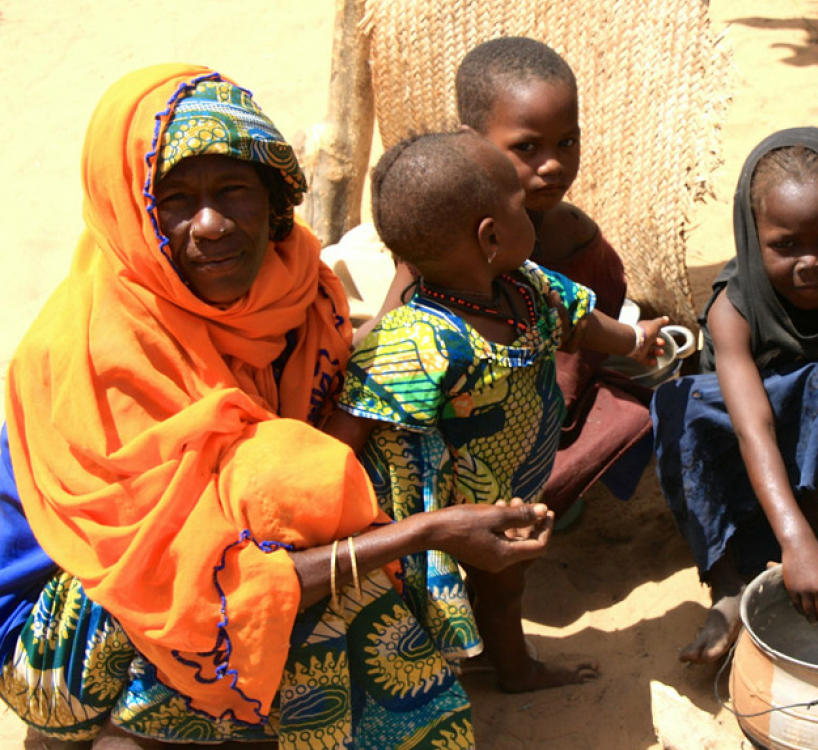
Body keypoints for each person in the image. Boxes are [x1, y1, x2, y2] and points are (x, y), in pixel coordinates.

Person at [0, 64, 555, 749]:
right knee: (326, 584)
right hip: (70, 631)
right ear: (134, 208)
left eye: (234, 190)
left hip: (240, 558)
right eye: (174, 199)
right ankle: (149, 726)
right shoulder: (94, 356)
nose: (209, 225)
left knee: (387, 445)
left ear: (274, 196)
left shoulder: (297, 292)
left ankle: (241, 702)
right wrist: (429, 533)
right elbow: (202, 581)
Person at [322, 131, 667, 693]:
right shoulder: (415, 342)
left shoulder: (525, 286)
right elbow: (344, 436)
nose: (529, 202)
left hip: (514, 481)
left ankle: (512, 667)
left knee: (506, 583)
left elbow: (581, 323)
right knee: (434, 599)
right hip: (442, 511)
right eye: (516, 197)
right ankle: (465, 672)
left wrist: (634, 339)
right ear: (490, 237)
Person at [651, 128, 818, 663]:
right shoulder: (735, 307)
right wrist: (795, 541)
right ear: (754, 238)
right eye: (785, 245)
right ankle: (728, 583)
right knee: (677, 404)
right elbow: (753, 427)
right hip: (755, 465)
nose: (810, 262)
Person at [455, 36, 653, 516]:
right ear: (471, 143)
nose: (553, 165)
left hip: (547, 415)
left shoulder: (573, 235)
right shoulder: (450, 239)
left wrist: (631, 340)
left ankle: (543, 490)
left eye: (567, 142)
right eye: (527, 147)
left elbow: (589, 330)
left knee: (636, 417)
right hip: (463, 433)